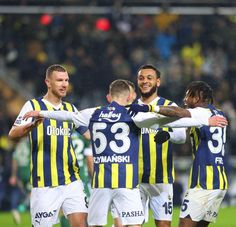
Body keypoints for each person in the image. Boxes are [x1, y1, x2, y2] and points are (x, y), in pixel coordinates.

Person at [23, 79, 227, 227]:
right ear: (129, 96)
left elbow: (68, 116)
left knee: (95, 225)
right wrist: (204, 121)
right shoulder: (134, 116)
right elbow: (169, 120)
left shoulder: (94, 112)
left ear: (110, 96)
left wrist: (41, 112)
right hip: (127, 183)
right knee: (133, 225)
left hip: (100, 183)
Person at [127, 81, 228, 227]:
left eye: (188, 95)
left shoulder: (201, 112)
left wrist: (149, 108)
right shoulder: (218, 113)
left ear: (197, 97)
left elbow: (178, 113)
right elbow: (180, 125)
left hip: (204, 183)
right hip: (220, 183)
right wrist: (168, 135)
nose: (184, 100)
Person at [8, 64, 88, 227]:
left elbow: (88, 134)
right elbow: (12, 134)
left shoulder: (70, 109)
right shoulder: (33, 106)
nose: (64, 84)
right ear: (48, 82)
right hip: (44, 183)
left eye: (66, 80)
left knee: (80, 224)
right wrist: (29, 127)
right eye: (59, 80)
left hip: (71, 180)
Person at [136, 64, 187, 227]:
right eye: (141, 78)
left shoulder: (169, 106)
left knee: (164, 225)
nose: (145, 81)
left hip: (161, 179)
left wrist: (168, 135)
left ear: (158, 82)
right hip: (134, 179)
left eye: (149, 78)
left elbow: (182, 136)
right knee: (133, 224)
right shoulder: (131, 107)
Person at [9, 137, 31, 225]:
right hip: (29, 171)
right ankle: (18, 209)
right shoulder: (30, 142)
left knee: (30, 194)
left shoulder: (19, 144)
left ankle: (31, 214)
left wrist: (14, 175)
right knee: (32, 195)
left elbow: (14, 160)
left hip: (21, 173)